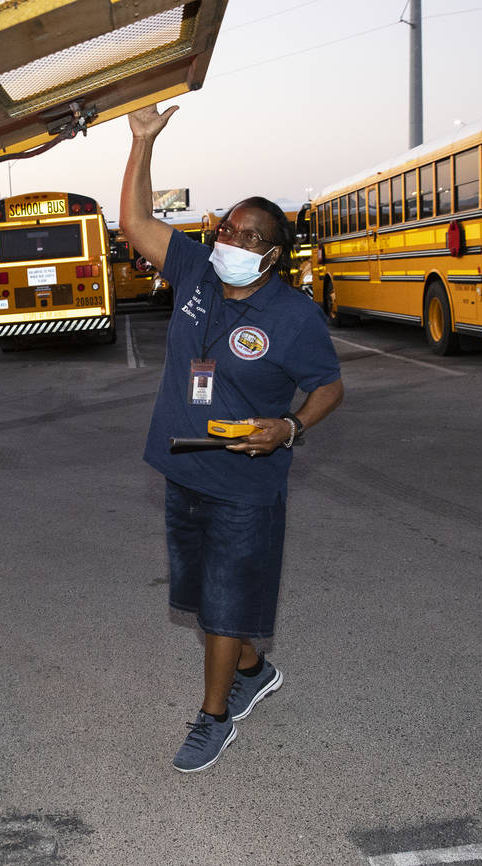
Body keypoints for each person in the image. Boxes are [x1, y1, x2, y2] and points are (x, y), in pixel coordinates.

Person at [120, 102, 345, 773]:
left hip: (246, 487)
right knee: (203, 601)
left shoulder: (294, 316)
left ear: (272, 255)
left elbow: (330, 387)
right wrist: (142, 144)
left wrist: (291, 426)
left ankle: (214, 717)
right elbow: (134, 220)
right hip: (183, 472)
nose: (230, 241)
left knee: (221, 603)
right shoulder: (193, 270)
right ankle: (253, 669)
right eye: (226, 227)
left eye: (247, 237)